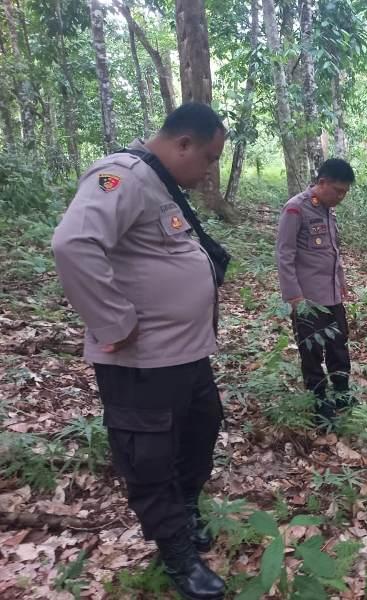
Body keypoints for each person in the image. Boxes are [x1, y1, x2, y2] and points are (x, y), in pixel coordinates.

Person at [51, 103, 227, 600]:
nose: (210, 169)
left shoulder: (160, 185)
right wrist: (114, 321)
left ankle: (186, 512)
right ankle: (176, 555)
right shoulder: (120, 177)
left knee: (199, 434)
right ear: (183, 144)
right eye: (209, 157)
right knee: (149, 458)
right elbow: (73, 243)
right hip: (141, 363)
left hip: (186, 356)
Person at [276, 158, 356, 425]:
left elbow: (334, 253)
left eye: (345, 192)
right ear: (322, 183)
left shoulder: (328, 211)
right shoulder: (296, 209)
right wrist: (295, 298)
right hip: (308, 299)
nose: (341, 197)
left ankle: (342, 392)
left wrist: (341, 282)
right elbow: (284, 256)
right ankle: (320, 401)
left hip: (332, 295)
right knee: (311, 352)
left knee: (338, 345)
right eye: (338, 191)